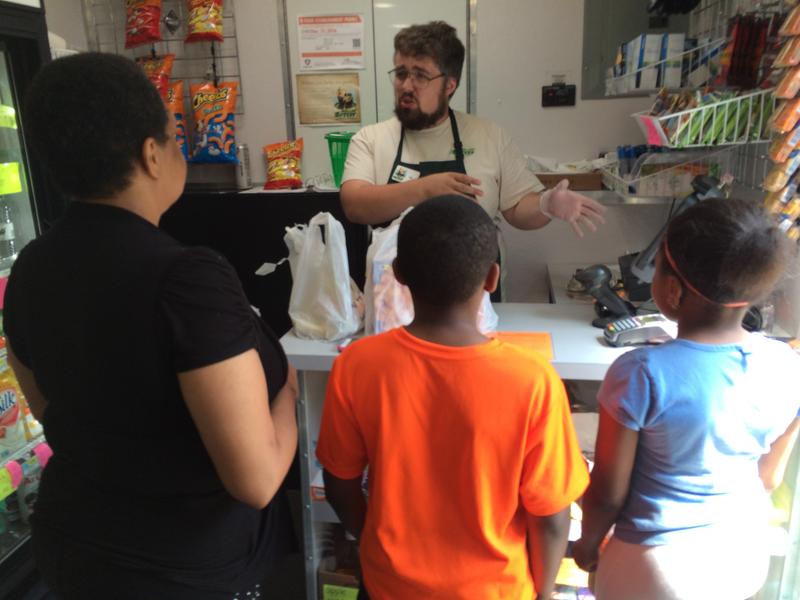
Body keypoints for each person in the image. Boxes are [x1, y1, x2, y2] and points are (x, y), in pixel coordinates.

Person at [4, 53, 298, 599]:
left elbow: (50, 411)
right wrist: (289, 393)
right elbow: (256, 480)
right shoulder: (188, 278)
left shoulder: (28, 267)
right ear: (151, 155)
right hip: (182, 567)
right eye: (174, 138)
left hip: (73, 547)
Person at [316, 195, 590, 599]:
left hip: (389, 585)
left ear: (398, 273)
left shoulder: (357, 364)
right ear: (492, 278)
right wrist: (544, 591)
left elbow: (340, 483)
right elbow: (550, 516)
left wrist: (371, 539)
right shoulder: (532, 379)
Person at [573, 197, 800, 599]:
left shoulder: (641, 372)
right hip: (742, 554)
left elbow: (607, 493)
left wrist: (588, 544)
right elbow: (768, 477)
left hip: (655, 568)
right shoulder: (786, 365)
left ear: (673, 289)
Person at [340, 21, 606, 289]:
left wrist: (547, 204)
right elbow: (354, 204)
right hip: (393, 298)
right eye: (401, 73)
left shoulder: (488, 136)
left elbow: (517, 208)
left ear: (449, 85)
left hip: (476, 298)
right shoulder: (371, 139)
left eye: (420, 76)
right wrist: (425, 190)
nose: (406, 86)